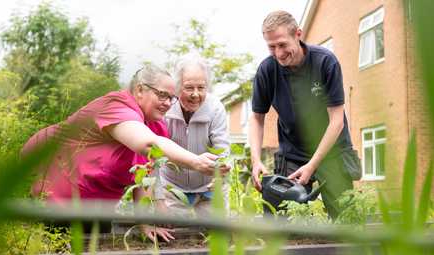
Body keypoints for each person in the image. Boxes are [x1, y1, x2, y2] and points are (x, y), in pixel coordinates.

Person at [22, 63, 221, 241]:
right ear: (140, 90)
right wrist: (195, 162)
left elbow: (143, 175)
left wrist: (146, 220)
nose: (168, 103)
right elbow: (149, 145)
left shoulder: (155, 124)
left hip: (96, 206)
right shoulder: (116, 107)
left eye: (172, 98)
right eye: (162, 95)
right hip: (55, 193)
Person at [249, 10, 360, 219]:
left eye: (282, 44)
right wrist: (255, 160)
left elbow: (336, 122)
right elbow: (256, 118)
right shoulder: (266, 70)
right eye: (271, 47)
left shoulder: (325, 62)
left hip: (332, 152)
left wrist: (312, 165)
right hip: (292, 153)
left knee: (347, 220)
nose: (278, 53)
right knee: (280, 220)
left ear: (298, 34)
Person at [157, 53, 230, 216]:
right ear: (176, 87)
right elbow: (153, 153)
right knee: (173, 235)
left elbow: (222, 149)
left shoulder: (215, 109)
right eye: (189, 87)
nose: (195, 94)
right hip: (172, 187)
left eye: (201, 88)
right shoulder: (165, 110)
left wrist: (220, 171)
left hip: (208, 188)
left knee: (215, 237)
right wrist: (158, 197)